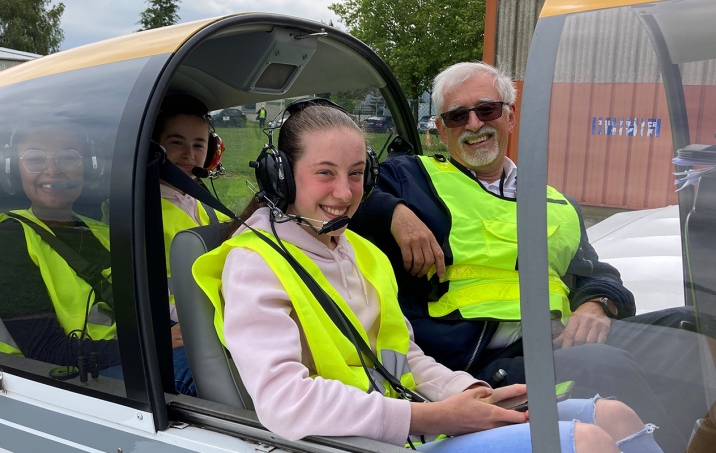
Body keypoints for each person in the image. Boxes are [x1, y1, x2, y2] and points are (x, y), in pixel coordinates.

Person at [192, 99, 662, 452]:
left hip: (408, 423)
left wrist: (468, 393)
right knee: (584, 442)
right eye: (324, 173)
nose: (344, 192)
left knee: (614, 415)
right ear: (282, 177)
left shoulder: (359, 252)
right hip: (359, 442)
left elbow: (400, 357)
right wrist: (430, 415)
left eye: (356, 174)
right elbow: (284, 402)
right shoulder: (254, 264)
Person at [349, 61, 716, 452]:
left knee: (691, 333)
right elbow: (348, 194)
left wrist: (596, 304)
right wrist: (393, 213)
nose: (474, 124)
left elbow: (597, 273)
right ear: (441, 129)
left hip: (560, 340)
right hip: (479, 359)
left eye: (486, 110)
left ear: (510, 115)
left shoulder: (556, 201)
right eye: (457, 116)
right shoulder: (410, 178)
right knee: (607, 365)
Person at [0, 121, 121, 376]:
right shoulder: (10, 239)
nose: (53, 170)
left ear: (91, 166)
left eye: (68, 157)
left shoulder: (100, 232)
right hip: (39, 377)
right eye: (36, 159)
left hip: (107, 357)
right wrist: (158, 345)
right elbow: (45, 350)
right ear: (13, 170)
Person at [153, 93, 228, 396]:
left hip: (215, 323)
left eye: (199, 145)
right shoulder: (142, 208)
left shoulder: (204, 204)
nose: (189, 154)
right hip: (183, 329)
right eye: (176, 143)